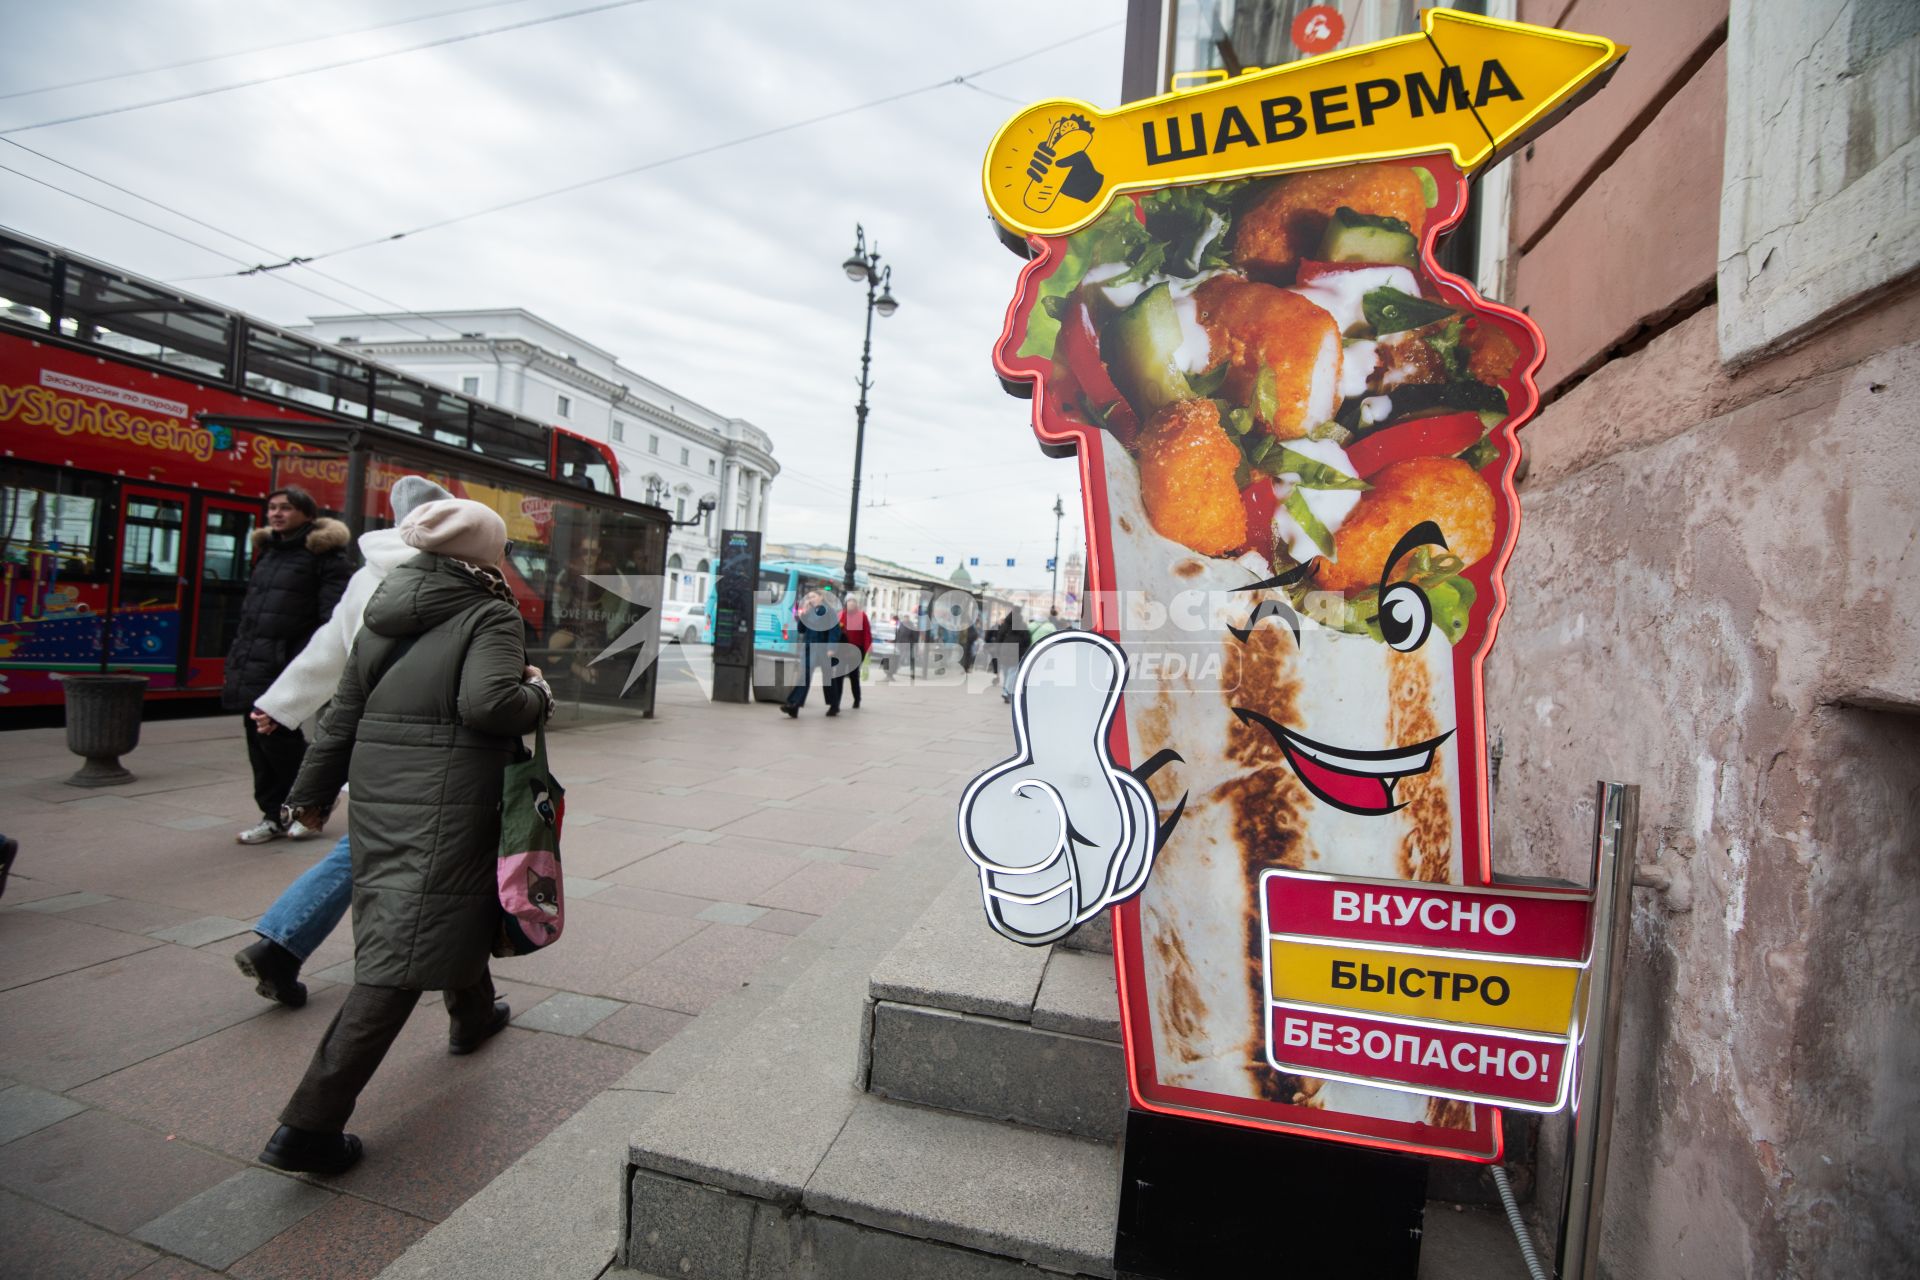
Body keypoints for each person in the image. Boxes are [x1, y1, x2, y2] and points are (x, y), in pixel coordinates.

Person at [260, 498, 552, 1176]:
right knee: (402, 953)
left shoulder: (386, 607)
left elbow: (344, 713)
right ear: (484, 553)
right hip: (449, 796)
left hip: (383, 794)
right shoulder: (490, 611)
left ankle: (473, 1015)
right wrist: (538, 694)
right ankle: (308, 1125)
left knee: (443, 904)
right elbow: (490, 706)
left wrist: (307, 794)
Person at [234, 476, 454, 1009]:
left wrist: (281, 703)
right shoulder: (453, 576)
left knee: (375, 845)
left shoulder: (368, 575)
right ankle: (287, 946)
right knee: (431, 855)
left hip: (370, 735)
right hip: (433, 743)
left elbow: (329, 646)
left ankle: (283, 946)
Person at [225, 487, 355, 845]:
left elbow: (333, 620)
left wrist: (303, 660)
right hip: (254, 661)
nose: (277, 514)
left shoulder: (326, 557)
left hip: (289, 664)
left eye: (286, 508)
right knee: (258, 741)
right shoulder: (267, 552)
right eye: (272, 508)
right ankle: (273, 815)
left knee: (280, 741)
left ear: (307, 515)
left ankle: (311, 802)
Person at [779, 589, 843, 718]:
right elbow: (801, 630)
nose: (810, 599)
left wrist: (831, 648)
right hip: (810, 649)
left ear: (821, 597)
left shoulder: (829, 612)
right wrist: (804, 614)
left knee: (828, 678)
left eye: (813, 596)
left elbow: (834, 630)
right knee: (805, 676)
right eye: (809, 597)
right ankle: (793, 705)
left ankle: (834, 705)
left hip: (824, 650)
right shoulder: (810, 612)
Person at [991, 608, 1032, 703]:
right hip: (1016, 651)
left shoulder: (1005, 625)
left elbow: (999, 638)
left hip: (1004, 650)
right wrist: (1024, 651)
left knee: (1005, 673)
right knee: (1012, 673)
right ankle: (1006, 692)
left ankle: (1006, 690)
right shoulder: (1022, 625)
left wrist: (997, 650)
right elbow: (1027, 640)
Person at [840, 593, 872, 709]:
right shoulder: (841, 615)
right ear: (846, 603)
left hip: (856, 651)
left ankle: (857, 699)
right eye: (849, 601)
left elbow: (866, 634)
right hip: (842, 651)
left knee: (854, 676)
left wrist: (868, 649)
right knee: (839, 677)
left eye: (854, 601)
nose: (852, 603)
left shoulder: (862, 616)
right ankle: (836, 702)